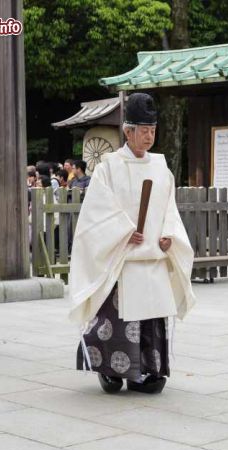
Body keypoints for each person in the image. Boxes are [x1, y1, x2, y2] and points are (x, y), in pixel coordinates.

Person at [69, 93, 195, 394]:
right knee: (117, 317)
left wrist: (168, 234)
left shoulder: (161, 169)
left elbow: (169, 210)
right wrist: (123, 231)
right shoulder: (109, 167)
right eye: (143, 130)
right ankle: (109, 370)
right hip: (122, 259)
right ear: (128, 132)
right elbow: (98, 211)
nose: (149, 136)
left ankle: (148, 370)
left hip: (152, 257)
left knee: (150, 318)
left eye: (153, 130)